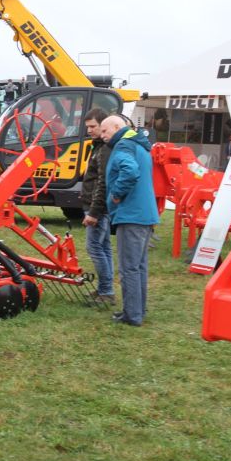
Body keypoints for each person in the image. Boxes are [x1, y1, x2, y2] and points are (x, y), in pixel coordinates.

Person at [101, 115, 159, 327]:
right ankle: (137, 310)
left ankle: (132, 315)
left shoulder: (123, 146)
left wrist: (116, 194)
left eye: (105, 131)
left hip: (131, 214)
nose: (103, 136)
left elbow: (130, 171)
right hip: (145, 214)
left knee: (129, 268)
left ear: (117, 127)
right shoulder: (139, 145)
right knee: (139, 266)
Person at [80, 107, 114, 306]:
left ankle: (107, 291)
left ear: (104, 125)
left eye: (93, 126)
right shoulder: (99, 147)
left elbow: (103, 183)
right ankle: (104, 288)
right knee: (104, 247)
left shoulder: (104, 150)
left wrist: (93, 212)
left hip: (97, 207)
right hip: (96, 205)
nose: (90, 130)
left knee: (93, 247)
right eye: (88, 127)